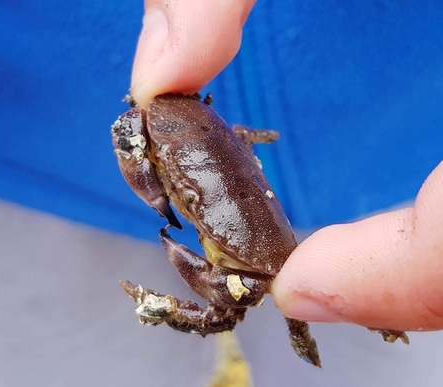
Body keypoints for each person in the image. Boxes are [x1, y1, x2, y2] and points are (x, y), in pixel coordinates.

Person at [131, 0, 443, 333]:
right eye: (189, 197)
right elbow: (131, 127)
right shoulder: (165, 112)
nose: (185, 197)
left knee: (327, 307)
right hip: (84, 206)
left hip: (385, 217)